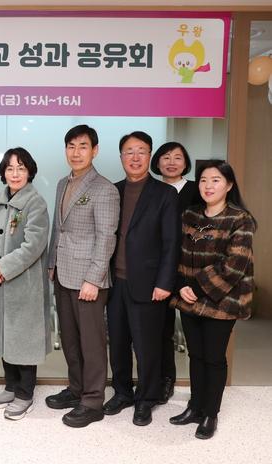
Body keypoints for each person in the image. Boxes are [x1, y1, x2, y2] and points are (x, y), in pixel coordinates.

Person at [169, 160, 256, 440]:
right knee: (195, 355)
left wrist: (196, 286)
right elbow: (177, 253)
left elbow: (235, 265)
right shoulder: (190, 214)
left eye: (216, 180)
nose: (208, 186)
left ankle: (210, 413)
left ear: (229, 185)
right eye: (204, 180)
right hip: (189, 296)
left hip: (223, 300)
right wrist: (181, 285)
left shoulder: (240, 219)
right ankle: (195, 406)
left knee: (214, 358)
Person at [45, 125, 120, 427]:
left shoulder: (104, 189)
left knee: (92, 343)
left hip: (89, 279)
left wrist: (94, 279)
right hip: (63, 273)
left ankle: (92, 401)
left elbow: (106, 237)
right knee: (70, 339)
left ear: (95, 150)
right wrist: (51, 264)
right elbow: (58, 228)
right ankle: (76, 389)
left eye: (83, 146)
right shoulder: (63, 183)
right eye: (71, 146)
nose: (76, 153)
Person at [103, 131, 179, 426]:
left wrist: (164, 283)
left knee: (147, 346)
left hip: (149, 285)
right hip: (115, 282)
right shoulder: (114, 191)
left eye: (141, 151)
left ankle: (146, 398)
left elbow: (172, 243)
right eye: (129, 152)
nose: (135, 157)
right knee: (118, 342)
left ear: (150, 156)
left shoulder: (165, 194)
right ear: (121, 156)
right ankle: (122, 392)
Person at [0, 147, 51, 421]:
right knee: (4, 336)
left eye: (21, 168)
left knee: (23, 339)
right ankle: (10, 387)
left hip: (24, 284)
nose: (15, 173)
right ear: (3, 173)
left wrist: (2, 268)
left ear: (29, 171)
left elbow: (33, 246)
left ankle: (25, 393)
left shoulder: (36, 203)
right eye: (10, 168)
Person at [150, 142, 202, 403]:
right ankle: (165, 379)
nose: (171, 162)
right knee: (161, 330)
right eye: (166, 157)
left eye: (177, 157)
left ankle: (201, 393)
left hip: (191, 272)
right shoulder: (152, 190)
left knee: (196, 336)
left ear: (186, 163)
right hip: (159, 271)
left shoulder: (196, 190)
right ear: (157, 162)